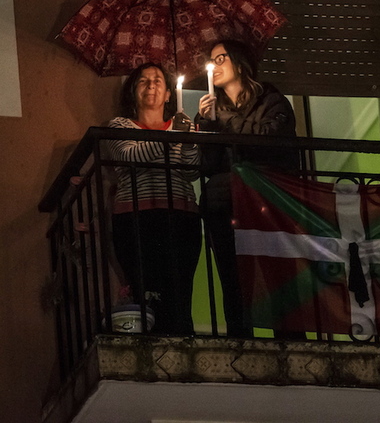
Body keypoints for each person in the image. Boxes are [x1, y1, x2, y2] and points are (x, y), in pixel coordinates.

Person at [195, 39, 298, 337]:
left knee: (278, 278)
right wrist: (208, 125)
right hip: (226, 204)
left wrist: (223, 120)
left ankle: (290, 344)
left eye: (220, 58)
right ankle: (241, 342)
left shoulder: (271, 99)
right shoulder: (215, 113)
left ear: (239, 63)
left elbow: (269, 137)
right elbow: (207, 165)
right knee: (234, 281)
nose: (214, 66)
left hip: (267, 202)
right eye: (210, 61)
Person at [108, 62, 200, 335]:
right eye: (143, 81)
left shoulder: (182, 127)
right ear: (133, 92)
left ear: (170, 94)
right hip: (136, 218)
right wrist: (172, 137)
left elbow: (192, 170)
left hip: (180, 218)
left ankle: (184, 345)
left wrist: (189, 139)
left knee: (179, 290)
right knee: (145, 290)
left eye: (158, 81)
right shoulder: (120, 125)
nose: (151, 86)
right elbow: (130, 156)